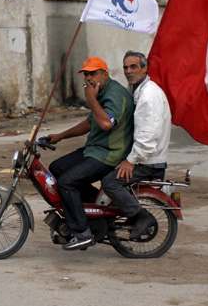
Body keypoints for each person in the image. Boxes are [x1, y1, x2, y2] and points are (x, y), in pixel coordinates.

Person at [35, 56, 134, 251]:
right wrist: (61, 136)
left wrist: (90, 98)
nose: (89, 78)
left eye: (94, 73)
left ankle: (83, 233)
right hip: (94, 150)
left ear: (105, 74)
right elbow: (90, 123)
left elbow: (106, 123)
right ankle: (92, 210)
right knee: (57, 168)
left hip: (109, 154)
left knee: (67, 182)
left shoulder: (114, 95)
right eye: (86, 74)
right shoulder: (100, 93)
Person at [101, 50, 171, 241]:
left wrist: (130, 161)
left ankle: (142, 217)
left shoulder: (149, 96)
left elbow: (148, 137)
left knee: (110, 182)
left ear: (144, 68)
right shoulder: (138, 90)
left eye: (133, 67)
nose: (128, 71)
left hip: (148, 161)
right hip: (144, 157)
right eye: (125, 67)